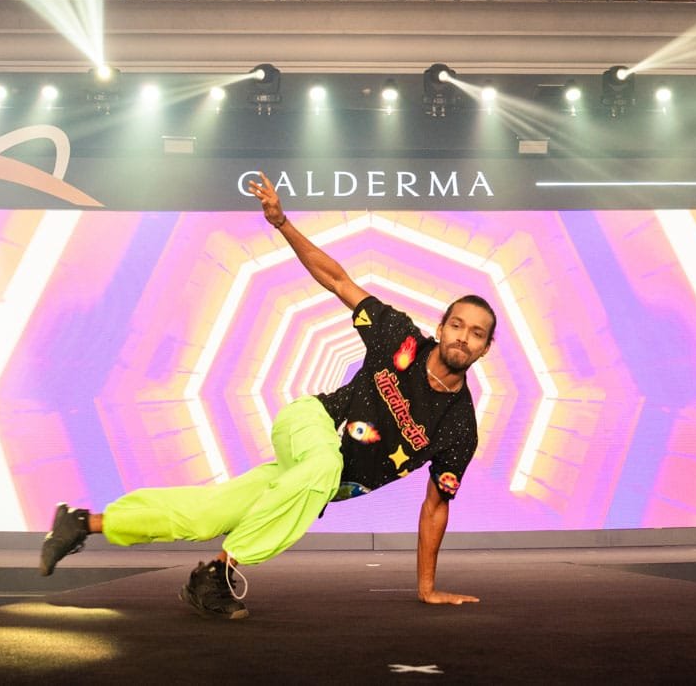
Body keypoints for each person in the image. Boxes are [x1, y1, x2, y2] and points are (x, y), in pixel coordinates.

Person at [38, 171, 495, 619]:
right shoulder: (400, 338)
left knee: (205, 515)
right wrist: (282, 223)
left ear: (485, 348)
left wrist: (427, 589)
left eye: (476, 333)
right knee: (323, 467)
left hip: (311, 478)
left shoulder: (459, 428)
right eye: (457, 325)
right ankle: (218, 573)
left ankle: (81, 523)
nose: (463, 337)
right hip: (311, 423)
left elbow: (435, 506)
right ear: (440, 327)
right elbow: (338, 280)